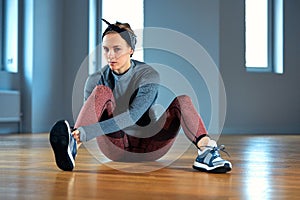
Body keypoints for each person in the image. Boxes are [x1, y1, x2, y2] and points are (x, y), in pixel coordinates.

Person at [49, 19, 232, 173]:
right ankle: (73, 146)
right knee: (101, 92)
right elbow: (92, 120)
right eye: (106, 49)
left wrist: (84, 132)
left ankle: (207, 152)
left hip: (150, 147)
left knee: (183, 100)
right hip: (115, 147)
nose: (110, 55)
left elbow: (133, 115)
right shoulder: (95, 80)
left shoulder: (148, 75)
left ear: (131, 50)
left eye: (117, 49)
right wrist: (82, 132)